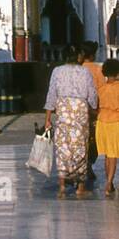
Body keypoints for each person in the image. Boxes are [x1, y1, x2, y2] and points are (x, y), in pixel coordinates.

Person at [44, 44, 98, 197]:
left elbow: (51, 94)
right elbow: (92, 93)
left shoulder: (57, 71)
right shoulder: (85, 72)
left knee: (63, 147)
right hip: (80, 111)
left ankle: (62, 185)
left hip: (63, 111)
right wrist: (94, 107)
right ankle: (80, 187)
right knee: (80, 147)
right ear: (79, 57)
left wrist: (48, 118)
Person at [79, 41, 104, 179]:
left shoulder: (78, 69)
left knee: (81, 138)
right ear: (93, 55)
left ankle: (83, 164)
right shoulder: (97, 70)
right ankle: (89, 163)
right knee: (93, 139)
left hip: (79, 109)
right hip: (93, 110)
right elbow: (101, 90)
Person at [96, 58, 119, 197]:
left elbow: (96, 106)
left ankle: (109, 182)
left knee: (106, 156)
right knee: (113, 155)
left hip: (102, 123)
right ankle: (109, 183)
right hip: (115, 122)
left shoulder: (101, 88)